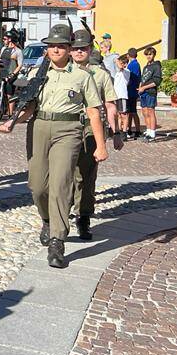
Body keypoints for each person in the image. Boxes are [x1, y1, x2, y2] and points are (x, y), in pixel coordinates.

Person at [0, 23, 106, 269]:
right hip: (39, 128)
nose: (55, 50)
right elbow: (30, 107)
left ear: (69, 49)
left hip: (68, 131)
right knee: (37, 185)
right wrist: (13, 122)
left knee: (60, 183)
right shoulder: (39, 73)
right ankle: (46, 219)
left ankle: (57, 240)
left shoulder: (82, 76)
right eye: (52, 46)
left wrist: (100, 145)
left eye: (61, 46)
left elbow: (93, 111)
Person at [71, 29, 120, 240]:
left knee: (85, 177)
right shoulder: (63, 71)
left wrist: (116, 133)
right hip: (66, 129)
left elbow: (110, 105)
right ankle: (58, 217)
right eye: (75, 48)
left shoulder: (100, 75)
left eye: (83, 48)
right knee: (61, 175)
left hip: (91, 130)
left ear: (90, 49)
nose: (79, 52)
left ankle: (83, 216)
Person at [137, 46, 162, 142]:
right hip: (143, 92)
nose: (148, 56)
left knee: (151, 112)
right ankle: (148, 130)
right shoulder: (146, 66)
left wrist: (144, 87)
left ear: (154, 55)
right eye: (147, 55)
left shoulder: (156, 66)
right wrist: (140, 87)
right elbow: (143, 79)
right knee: (144, 112)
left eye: (150, 54)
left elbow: (156, 81)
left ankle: (152, 132)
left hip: (150, 92)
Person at [125, 47, 141, 139]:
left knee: (133, 111)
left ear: (128, 55)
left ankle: (137, 129)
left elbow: (130, 77)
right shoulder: (134, 64)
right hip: (131, 90)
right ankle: (130, 128)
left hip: (131, 90)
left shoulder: (133, 65)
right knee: (130, 112)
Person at [113, 54, 131, 134]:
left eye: (121, 63)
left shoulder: (126, 71)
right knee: (118, 115)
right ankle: (119, 130)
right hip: (116, 95)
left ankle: (124, 132)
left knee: (124, 114)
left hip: (122, 95)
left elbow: (119, 66)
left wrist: (118, 60)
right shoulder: (118, 72)